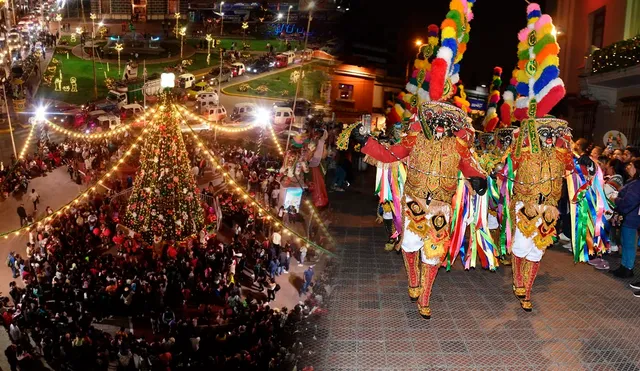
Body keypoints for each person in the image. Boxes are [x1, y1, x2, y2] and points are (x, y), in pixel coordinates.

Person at [611, 159, 640, 279]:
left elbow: (629, 202)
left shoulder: (637, 184)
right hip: (629, 217)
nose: (628, 167)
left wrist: (615, 199)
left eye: (631, 165)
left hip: (631, 218)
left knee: (628, 244)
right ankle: (624, 266)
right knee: (625, 242)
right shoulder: (634, 182)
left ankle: (628, 268)